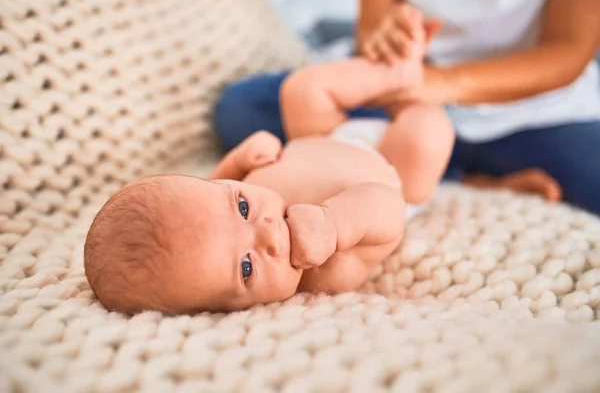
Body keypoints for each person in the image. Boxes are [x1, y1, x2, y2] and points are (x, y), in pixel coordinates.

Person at [84, 48, 559, 315]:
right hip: (392, 169)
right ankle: (446, 144)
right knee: (429, 132)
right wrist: (335, 223)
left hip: (322, 138)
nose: (268, 232)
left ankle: (400, 71)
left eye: (243, 207)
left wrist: (238, 160)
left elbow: (219, 183)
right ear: (225, 309)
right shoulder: (324, 271)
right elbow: (386, 211)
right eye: (246, 268)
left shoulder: (221, 198)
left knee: (302, 89)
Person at [213, 0, 600, 215]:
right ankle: (464, 177)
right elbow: (371, 31)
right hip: (406, 93)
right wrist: (387, 36)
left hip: (534, 104)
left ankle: (447, 170)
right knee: (244, 110)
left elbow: (567, 50)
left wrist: (446, 83)